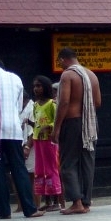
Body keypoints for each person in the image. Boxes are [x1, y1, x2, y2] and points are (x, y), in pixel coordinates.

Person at [0, 58, 43, 219]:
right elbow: (19, 104)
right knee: (19, 167)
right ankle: (30, 209)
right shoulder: (15, 78)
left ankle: (4, 211)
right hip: (13, 129)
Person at [52, 47, 101, 215]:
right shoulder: (92, 75)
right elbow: (98, 102)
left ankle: (76, 202)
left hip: (71, 123)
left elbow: (64, 102)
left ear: (63, 60)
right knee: (87, 163)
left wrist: (56, 128)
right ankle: (86, 202)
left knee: (68, 163)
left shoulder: (68, 75)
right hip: (90, 124)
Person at [31, 76, 64, 212]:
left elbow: (57, 120)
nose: (36, 89)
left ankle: (56, 201)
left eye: (39, 86)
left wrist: (48, 126)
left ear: (45, 87)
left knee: (51, 169)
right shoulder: (35, 105)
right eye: (35, 86)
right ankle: (47, 200)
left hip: (49, 141)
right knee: (40, 170)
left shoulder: (52, 104)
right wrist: (30, 123)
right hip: (38, 140)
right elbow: (37, 123)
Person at [18, 89, 35, 212]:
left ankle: (34, 203)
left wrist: (28, 147)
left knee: (31, 175)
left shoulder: (32, 107)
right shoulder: (19, 109)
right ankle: (21, 205)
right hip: (20, 144)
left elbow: (34, 131)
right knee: (17, 175)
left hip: (30, 146)